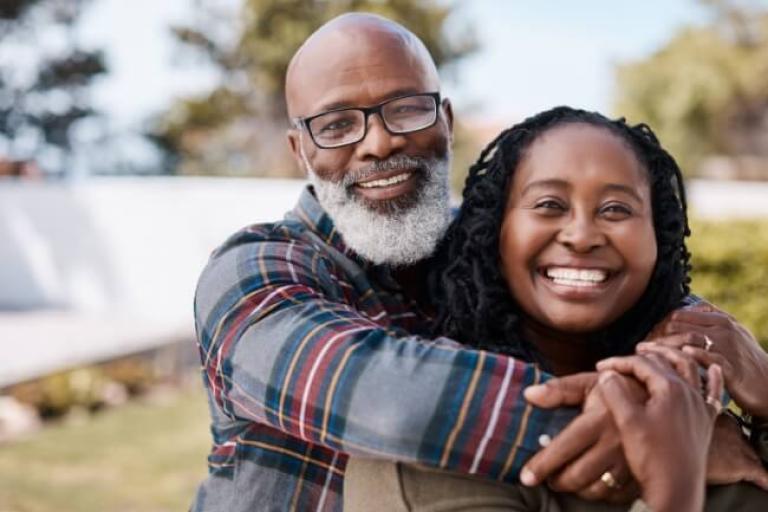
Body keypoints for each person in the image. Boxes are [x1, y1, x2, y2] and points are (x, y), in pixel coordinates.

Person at [190, 14, 764, 511]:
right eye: (337, 124)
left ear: (445, 122)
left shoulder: (496, 238)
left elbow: (638, 299)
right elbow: (390, 401)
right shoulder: (254, 272)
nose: (378, 143)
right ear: (300, 151)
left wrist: (727, 371)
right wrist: (658, 435)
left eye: (406, 110)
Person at [343, 107, 768, 510]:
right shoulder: (426, 447)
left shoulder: (697, 396)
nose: (582, 236)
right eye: (549, 204)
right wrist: (676, 478)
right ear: (493, 232)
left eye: (616, 209)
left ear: (660, 239)